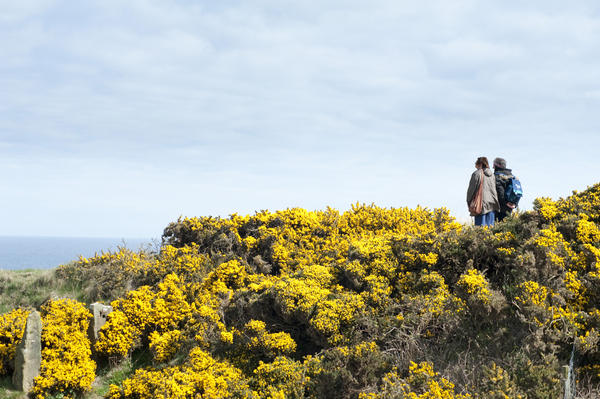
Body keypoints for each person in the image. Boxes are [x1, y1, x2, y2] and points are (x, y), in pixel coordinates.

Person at [467, 157, 500, 227]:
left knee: (480, 231)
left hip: (481, 205)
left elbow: (471, 190)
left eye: (476, 164)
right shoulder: (492, 175)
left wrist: (469, 202)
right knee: (490, 230)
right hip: (492, 204)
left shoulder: (476, 174)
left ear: (480, 164)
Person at [493, 157, 517, 222]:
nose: (493, 167)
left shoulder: (497, 176)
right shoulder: (512, 176)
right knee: (506, 226)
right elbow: (517, 191)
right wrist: (514, 204)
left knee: (497, 228)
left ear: (497, 165)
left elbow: (500, 192)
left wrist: (506, 203)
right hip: (510, 206)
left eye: (493, 165)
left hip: (500, 206)